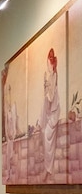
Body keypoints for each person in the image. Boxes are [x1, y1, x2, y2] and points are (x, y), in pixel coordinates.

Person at [40, 48, 61, 178]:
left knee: (48, 135)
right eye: (49, 57)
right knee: (44, 134)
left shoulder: (53, 75)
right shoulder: (47, 74)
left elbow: (51, 96)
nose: (50, 59)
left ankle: (49, 168)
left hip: (53, 111)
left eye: (52, 57)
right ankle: (48, 168)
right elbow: (46, 94)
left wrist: (48, 89)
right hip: (48, 110)